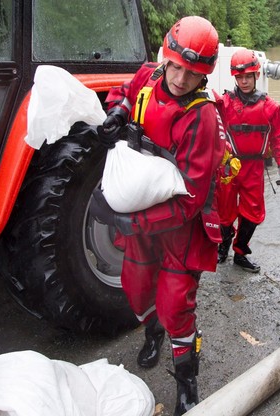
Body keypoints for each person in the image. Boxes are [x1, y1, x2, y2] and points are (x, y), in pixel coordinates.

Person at [91, 16, 225, 415]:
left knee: (175, 306)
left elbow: (190, 199)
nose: (181, 79)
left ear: (205, 75)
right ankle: (153, 334)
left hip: (181, 227)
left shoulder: (203, 118)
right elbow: (124, 92)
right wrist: (117, 111)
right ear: (166, 57)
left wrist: (129, 222)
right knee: (135, 287)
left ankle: (187, 380)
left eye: (193, 73)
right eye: (176, 67)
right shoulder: (149, 76)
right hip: (143, 216)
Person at [217, 48, 280, 273]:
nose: (244, 81)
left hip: (254, 167)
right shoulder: (225, 103)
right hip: (229, 166)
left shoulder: (271, 107)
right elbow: (205, 108)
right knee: (224, 210)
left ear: (257, 75)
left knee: (253, 213)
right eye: (240, 77)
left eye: (248, 76)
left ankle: (240, 252)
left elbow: (278, 137)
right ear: (234, 78)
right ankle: (223, 247)